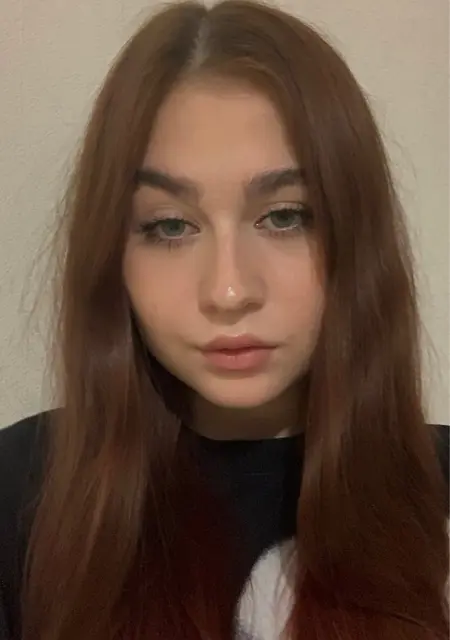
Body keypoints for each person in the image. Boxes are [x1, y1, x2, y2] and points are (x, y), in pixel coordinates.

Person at [0, 1, 448, 639]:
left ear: (356, 235)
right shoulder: (19, 491)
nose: (229, 290)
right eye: (170, 226)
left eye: (285, 216)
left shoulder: (437, 498)